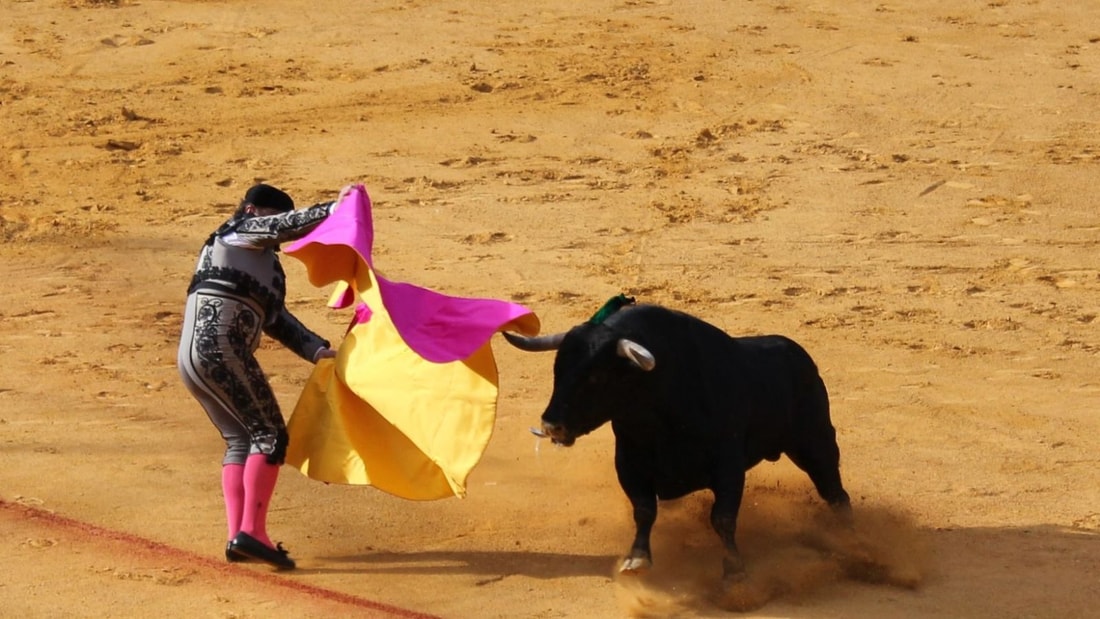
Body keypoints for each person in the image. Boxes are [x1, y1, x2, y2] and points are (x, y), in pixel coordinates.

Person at [177, 182, 349, 569]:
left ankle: (238, 535)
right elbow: (284, 226)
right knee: (270, 434)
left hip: (194, 358)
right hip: (222, 350)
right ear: (254, 210)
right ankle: (252, 532)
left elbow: (276, 320)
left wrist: (315, 350)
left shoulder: (262, 265)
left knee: (241, 438)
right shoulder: (237, 231)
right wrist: (333, 209)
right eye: (271, 217)